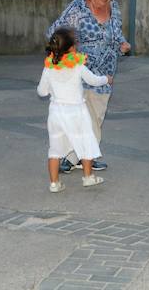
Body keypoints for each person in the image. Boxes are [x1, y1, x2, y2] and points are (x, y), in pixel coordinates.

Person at [48, 0, 131, 173]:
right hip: (79, 73)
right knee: (76, 117)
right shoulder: (78, 9)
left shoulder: (114, 7)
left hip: (105, 74)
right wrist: (68, 56)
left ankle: (85, 156)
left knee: (96, 117)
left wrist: (123, 44)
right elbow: (54, 34)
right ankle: (72, 156)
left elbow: (116, 33)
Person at [37, 28, 109, 192]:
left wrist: (51, 89)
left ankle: (54, 183)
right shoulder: (78, 66)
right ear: (70, 48)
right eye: (75, 43)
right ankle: (88, 177)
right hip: (77, 112)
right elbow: (94, 80)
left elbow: (41, 91)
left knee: (55, 149)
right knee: (85, 143)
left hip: (56, 113)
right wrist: (106, 79)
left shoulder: (49, 68)